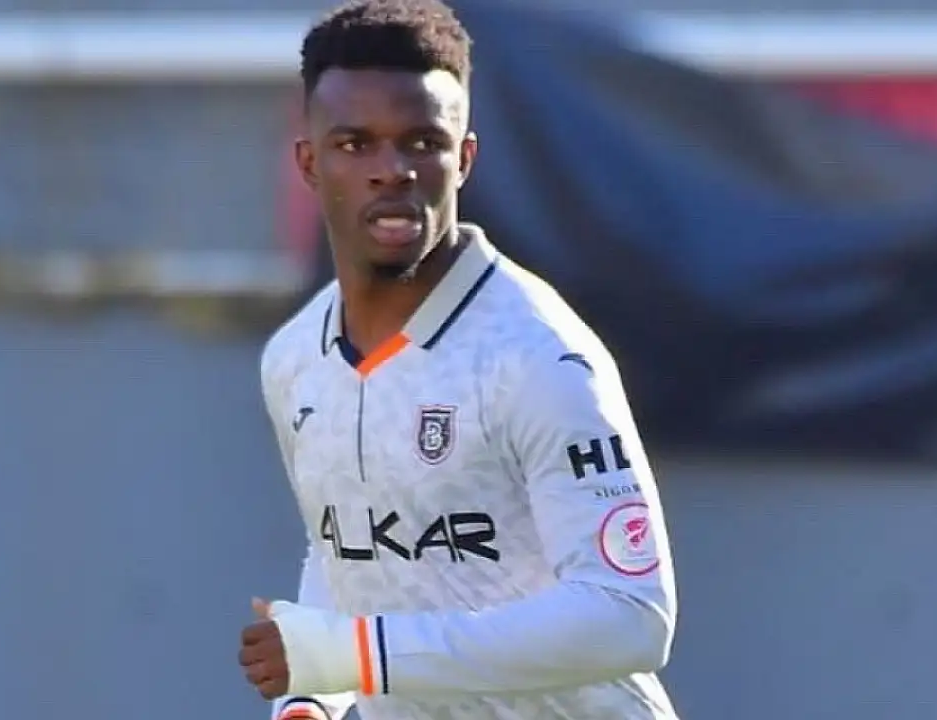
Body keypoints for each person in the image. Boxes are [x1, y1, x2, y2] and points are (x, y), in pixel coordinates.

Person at [238, 1, 681, 718]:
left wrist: (357, 655)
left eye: (422, 143)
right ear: (310, 163)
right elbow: (350, 552)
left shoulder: (539, 357)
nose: (392, 171)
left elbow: (631, 616)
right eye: (356, 144)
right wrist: (311, 701)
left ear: (464, 159)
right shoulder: (295, 361)